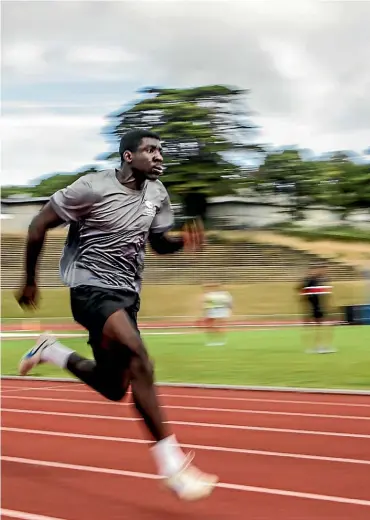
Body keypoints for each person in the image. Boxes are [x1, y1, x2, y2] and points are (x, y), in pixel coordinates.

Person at [15, 129, 218, 501]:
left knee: (113, 387)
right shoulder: (91, 187)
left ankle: (51, 350)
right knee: (140, 357)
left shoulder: (157, 194)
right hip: (88, 287)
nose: (159, 156)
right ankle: (173, 467)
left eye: (160, 150)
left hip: (127, 294)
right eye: (150, 150)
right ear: (128, 156)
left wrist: (181, 243)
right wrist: (29, 280)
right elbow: (38, 224)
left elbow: (157, 243)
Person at [298, 262, 336, 354]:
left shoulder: (322, 280)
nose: (325, 271)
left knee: (324, 326)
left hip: (321, 306)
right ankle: (315, 346)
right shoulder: (310, 280)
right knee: (316, 326)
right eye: (323, 269)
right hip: (313, 307)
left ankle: (323, 346)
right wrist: (305, 298)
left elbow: (325, 293)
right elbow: (301, 290)